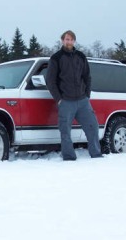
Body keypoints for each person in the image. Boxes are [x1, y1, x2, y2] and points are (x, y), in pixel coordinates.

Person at [46, 30, 102, 161]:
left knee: (92, 127)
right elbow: (50, 81)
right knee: (65, 131)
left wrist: (87, 95)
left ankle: (96, 154)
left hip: (83, 101)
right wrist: (59, 99)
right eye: (66, 39)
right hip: (66, 101)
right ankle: (69, 157)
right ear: (62, 40)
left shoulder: (81, 56)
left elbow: (87, 77)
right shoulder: (56, 58)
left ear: (74, 41)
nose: (68, 41)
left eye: (71, 39)